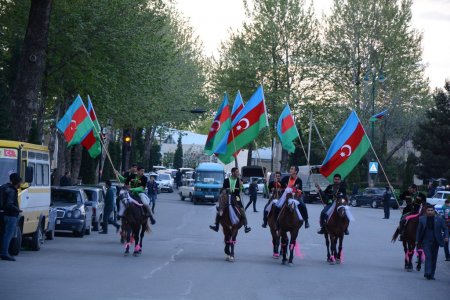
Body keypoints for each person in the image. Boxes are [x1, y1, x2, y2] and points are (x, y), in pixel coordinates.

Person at [209, 167, 251, 233]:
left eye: (238, 172)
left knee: (242, 210)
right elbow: (223, 189)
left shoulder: (239, 180)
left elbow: (242, 190)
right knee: (220, 209)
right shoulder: (226, 180)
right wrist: (225, 190)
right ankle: (216, 225)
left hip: (236, 197)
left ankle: (246, 226)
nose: (238, 173)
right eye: (237, 172)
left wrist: (241, 185)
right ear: (233, 172)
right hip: (227, 197)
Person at [415, 204, 449, 280]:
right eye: (428, 210)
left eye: (431, 210)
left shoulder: (439, 219)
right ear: (426, 211)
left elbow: (445, 229)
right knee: (428, 256)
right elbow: (418, 230)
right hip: (425, 241)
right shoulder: (422, 219)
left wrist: (446, 237)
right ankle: (427, 272)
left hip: (436, 241)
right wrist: (417, 240)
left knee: (434, 258)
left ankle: (432, 274)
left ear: (434, 211)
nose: (430, 212)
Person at [1, 173, 22, 261]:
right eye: (20, 182)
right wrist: (18, 210)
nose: (20, 184)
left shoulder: (4, 187)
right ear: (17, 182)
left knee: (2, 234)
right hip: (11, 215)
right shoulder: (12, 190)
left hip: (3, 214)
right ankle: (5, 253)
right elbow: (9, 204)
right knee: (8, 235)